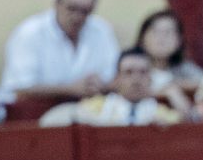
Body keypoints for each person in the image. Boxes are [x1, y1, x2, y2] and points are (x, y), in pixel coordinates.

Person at [0, 0, 120, 119]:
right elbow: (20, 88)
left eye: (84, 11)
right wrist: (71, 89)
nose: (77, 17)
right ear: (57, 4)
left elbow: (115, 77)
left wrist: (101, 85)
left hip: (84, 113)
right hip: (29, 114)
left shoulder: (101, 30)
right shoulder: (30, 32)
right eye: (71, 8)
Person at [38, 48, 183, 126]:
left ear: (150, 79)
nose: (136, 79)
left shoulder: (162, 114)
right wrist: (90, 120)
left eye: (143, 73)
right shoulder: (96, 107)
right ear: (116, 79)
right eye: (128, 72)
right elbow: (49, 121)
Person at [135, 8, 203, 115]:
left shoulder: (185, 69)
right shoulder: (132, 66)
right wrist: (164, 92)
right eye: (155, 32)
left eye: (168, 32)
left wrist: (177, 86)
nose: (161, 38)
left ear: (179, 40)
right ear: (142, 38)